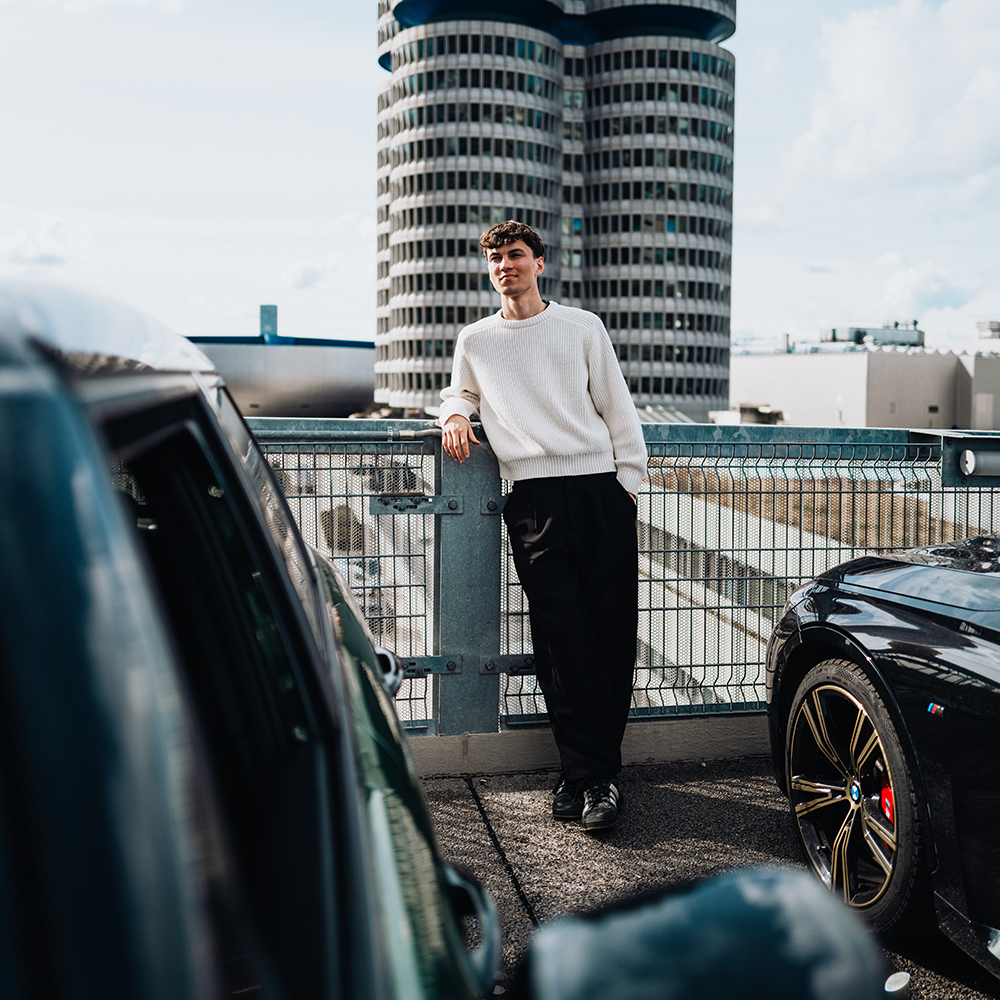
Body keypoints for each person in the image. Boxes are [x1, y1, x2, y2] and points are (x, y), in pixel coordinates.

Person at [439, 220, 647, 832]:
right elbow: (461, 392)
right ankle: (588, 773)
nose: (506, 265)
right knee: (558, 639)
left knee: (609, 632)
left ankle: (590, 775)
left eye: (517, 255)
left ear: (539, 263)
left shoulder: (582, 327)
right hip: (530, 499)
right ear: (489, 270)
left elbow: (617, 407)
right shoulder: (475, 339)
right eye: (497, 258)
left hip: (599, 492)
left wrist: (625, 486)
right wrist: (455, 413)